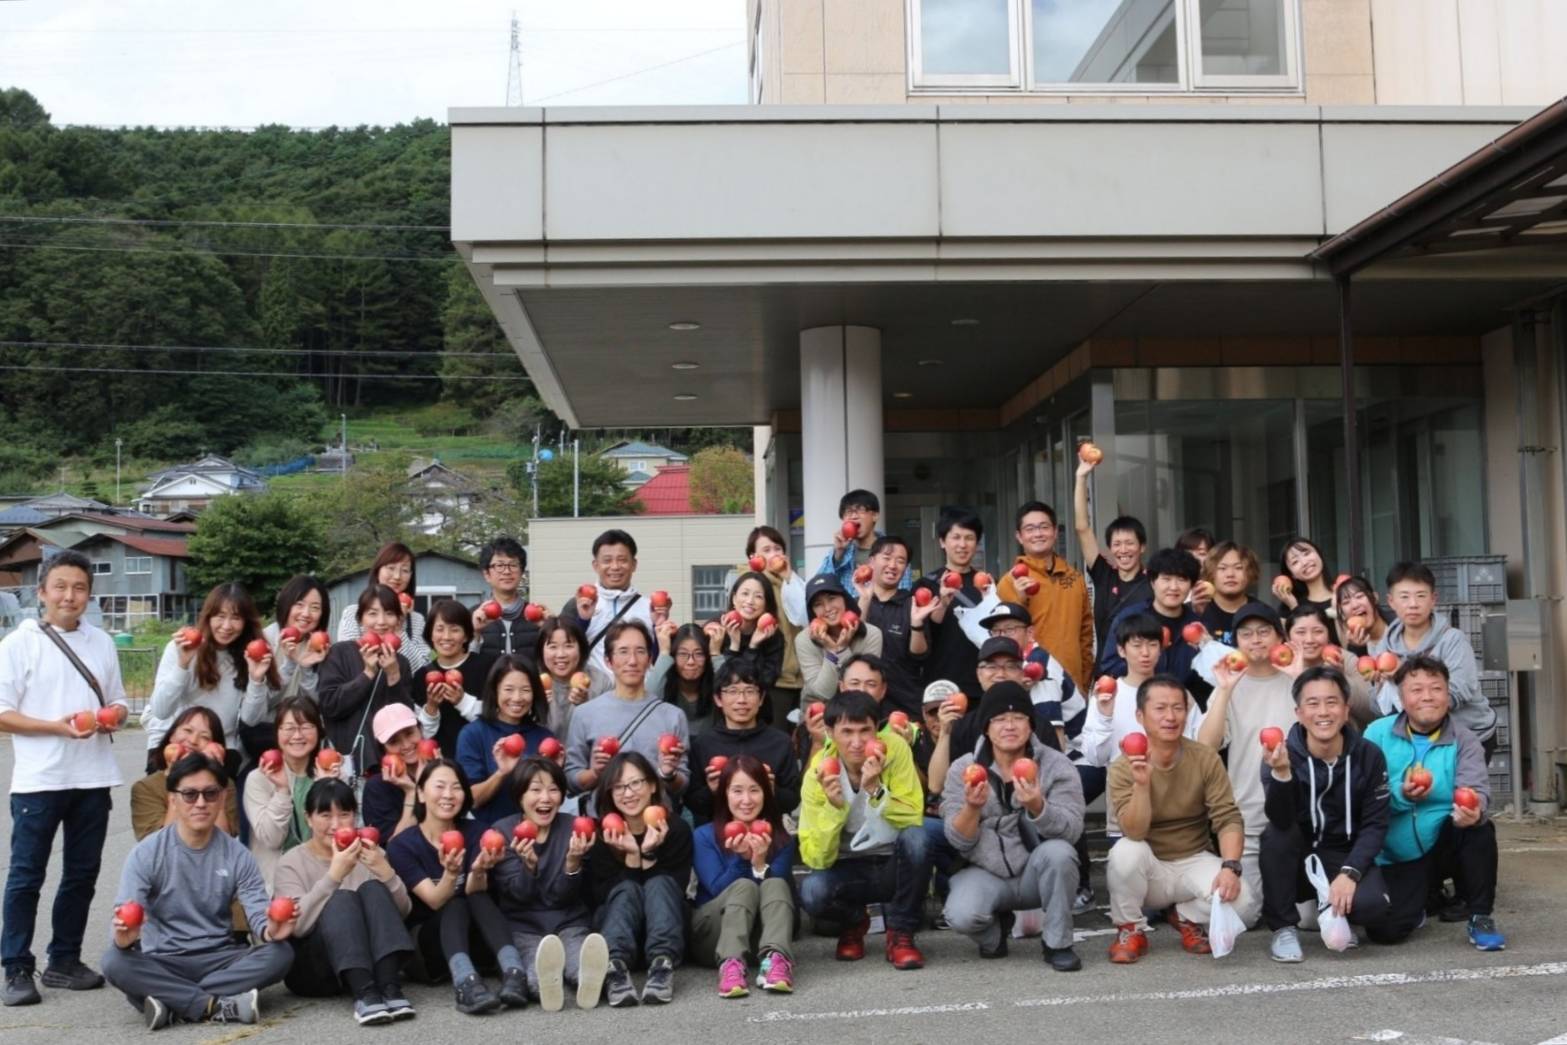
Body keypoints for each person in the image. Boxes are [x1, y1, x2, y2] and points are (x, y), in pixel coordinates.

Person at [0, 550, 129, 1007]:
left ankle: (64, 960)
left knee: (81, 874)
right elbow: (2, 713)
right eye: (60, 587)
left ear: (89, 595)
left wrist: (115, 717)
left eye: (79, 588)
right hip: (39, 780)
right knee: (25, 876)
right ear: (41, 592)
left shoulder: (102, 642)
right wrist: (57, 727)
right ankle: (16, 966)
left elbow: (118, 700)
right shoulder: (18, 644)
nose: (69, 596)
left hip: (93, 776)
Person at [101, 754, 295, 1029]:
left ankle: (172, 1002)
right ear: (173, 799)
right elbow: (124, 914)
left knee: (281, 953)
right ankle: (215, 1005)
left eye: (210, 794)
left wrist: (271, 930)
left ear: (222, 798)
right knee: (114, 961)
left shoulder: (238, 854)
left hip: (220, 958)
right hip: (163, 959)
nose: (201, 803)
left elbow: (257, 913)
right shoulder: (146, 853)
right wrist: (124, 939)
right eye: (190, 795)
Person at [1105, 676, 1252, 963]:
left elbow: (1227, 817)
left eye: (1178, 708)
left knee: (1244, 902)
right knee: (1124, 852)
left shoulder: (1205, 758)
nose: (1170, 717)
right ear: (1140, 716)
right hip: (1149, 867)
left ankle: (1186, 916)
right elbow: (1134, 832)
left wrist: (1230, 867)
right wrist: (1142, 785)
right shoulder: (1123, 767)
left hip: (1194, 858)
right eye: (1160, 708)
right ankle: (1130, 928)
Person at [1364, 655, 1504, 951]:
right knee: (1385, 931)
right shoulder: (1377, 733)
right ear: (1401, 697)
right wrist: (1401, 795)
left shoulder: (1464, 739)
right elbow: (1363, 795)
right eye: (1416, 690)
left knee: (1480, 829)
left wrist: (1473, 809)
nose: (1427, 696)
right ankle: (1426, 898)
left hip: (1440, 844)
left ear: (1447, 694)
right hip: (1393, 854)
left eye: (1436, 688)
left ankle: (1480, 916)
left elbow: (1475, 788)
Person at [941, 681, 1085, 970]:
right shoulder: (963, 769)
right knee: (960, 915)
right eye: (999, 719)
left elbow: (1072, 829)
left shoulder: (1056, 764)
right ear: (986, 727)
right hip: (986, 871)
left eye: (1018, 717)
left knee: (1060, 854)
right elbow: (957, 840)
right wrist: (972, 808)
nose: (1009, 726)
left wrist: (1038, 807)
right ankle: (994, 937)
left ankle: (1057, 943)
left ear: (1030, 725)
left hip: (1036, 870)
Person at [1259, 666, 1393, 962]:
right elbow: (1280, 820)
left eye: (1332, 702)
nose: (1323, 712)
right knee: (1274, 836)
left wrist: (1350, 872)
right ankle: (1283, 928)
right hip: (1298, 855)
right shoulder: (1281, 753)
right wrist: (1282, 774)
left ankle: (1331, 908)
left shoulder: (1369, 755)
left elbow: (1375, 824)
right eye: (1313, 703)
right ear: (1298, 712)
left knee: (1374, 909)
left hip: (1343, 853)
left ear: (1346, 710)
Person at [798, 691, 930, 971]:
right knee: (812, 891)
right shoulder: (818, 773)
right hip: (846, 866)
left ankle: (901, 932)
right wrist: (834, 809)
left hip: (891, 860)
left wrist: (876, 790)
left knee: (918, 839)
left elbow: (913, 815)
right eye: (847, 732)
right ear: (830, 732)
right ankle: (855, 922)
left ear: (877, 729)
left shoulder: (895, 750)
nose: (857, 742)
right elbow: (815, 858)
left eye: (864, 731)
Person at [386, 758, 528, 1014]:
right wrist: (451, 873)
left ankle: (514, 972)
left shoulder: (478, 832)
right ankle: (465, 984)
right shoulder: (402, 845)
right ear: (421, 793)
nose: (448, 795)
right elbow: (434, 900)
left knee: (477, 897)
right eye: (440, 786)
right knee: (455, 902)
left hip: (476, 941)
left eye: (457, 787)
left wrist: (480, 869)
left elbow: (475, 890)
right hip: (429, 950)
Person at [273, 778, 416, 1025]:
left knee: (373, 888)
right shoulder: (291, 862)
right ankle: (365, 994)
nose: (335, 825)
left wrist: (387, 873)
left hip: (371, 962)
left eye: (344, 814)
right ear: (308, 818)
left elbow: (403, 912)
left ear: (355, 817)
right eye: (325, 815)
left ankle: (390, 988)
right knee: (340, 897)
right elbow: (297, 927)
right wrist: (333, 877)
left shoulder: (371, 853)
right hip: (316, 969)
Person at [1196, 601, 1296, 926]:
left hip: (1296, 816)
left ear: (1279, 637)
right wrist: (1225, 691)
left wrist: (1299, 678)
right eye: (1247, 634)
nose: (1256, 640)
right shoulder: (1228, 684)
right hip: (1247, 818)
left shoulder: (1297, 681)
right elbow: (1206, 747)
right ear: (1236, 641)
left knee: (1306, 916)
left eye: (1264, 632)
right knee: (1247, 914)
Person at [489, 758, 610, 1011]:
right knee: (535, 968)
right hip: (524, 926)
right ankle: (545, 987)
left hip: (568, 921)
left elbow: (561, 897)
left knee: (580, 960)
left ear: (562, 795)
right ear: (520, 795)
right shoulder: (502, 832)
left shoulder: (573, 828)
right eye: (535, 789)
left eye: (553, 789)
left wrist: (573, 863)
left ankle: (588, 980)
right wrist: (529, 867)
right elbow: (518, 896)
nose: (545, 798)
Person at [588, 752, 693, 1007]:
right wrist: (633, 858)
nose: (628, 793)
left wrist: (648, 853)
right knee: (626, 889)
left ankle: (661, 966)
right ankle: (614, 968)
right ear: (610, 793)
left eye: (635, 783)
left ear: (653, 785)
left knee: (659, 883)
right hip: (618, 931)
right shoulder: (603, 834)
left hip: (666, 931)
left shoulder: (676, 829)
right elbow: (600, 896)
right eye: (619, 787)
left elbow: (676, 889)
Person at [691, 755, 797, 997]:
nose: (746, 800)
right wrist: (742, 860)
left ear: (766, 793)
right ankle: (730, 964)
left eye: (754, 790)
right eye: (737, 791)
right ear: (724, 794)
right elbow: (716, 888)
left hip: (759, 936)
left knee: (776, 882)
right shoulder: (703, 836)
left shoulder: (781, 838)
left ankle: (775, 960)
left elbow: (778, 896)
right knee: (744, 886)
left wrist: (759, 863)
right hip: (713, 935)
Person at [148, 582, 279, 766]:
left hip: (221, 748)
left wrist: (256, 679)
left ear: (246, 622)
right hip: (179, 745)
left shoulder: (250, 655)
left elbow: (250, 720)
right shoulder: (182, 647)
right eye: (220, 616)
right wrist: (182, 665)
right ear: (208, 617)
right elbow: (161, 710)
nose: (226, 626)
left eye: (236, 618)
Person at [1372, 562, 1496, 756]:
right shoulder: (1385, 646)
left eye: (1421, 595)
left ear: (1433, 599)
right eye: (1404, 597)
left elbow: (1458, 692)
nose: (1413, 604)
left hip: (1468, 735)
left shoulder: (1453, 639)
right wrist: (1379, 685)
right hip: (1418, 739)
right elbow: (1379, 705)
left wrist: (1403, 676)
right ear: (1391, 601)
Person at [564, 621, 690, 803]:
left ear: (649, 659)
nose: (632, 661)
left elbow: (683, 786)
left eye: (640, 651)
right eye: (623, 652)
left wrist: (669, 774)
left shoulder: (673, 716)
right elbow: (571, 779)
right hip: (603, 818)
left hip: (656, 817)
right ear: (608, 661)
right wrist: (595, 773)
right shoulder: (585, 714)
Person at [316, 585, 415, 778]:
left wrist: (393, 676)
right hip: (342, 764)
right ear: (360, 619)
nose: (381, 621)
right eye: (372, 613)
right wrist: (368, 674)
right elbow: (329, 705)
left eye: (389, 613)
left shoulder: (401, 663)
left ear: (398, 620)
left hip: (389, 765)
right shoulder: (339, 653)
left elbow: (406, 721)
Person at [688, 659, 803, 825]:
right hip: (717, 834)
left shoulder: (781, 743)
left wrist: (772, 790)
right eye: (732, 691)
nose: (741, 699)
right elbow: (692, 803)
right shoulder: (703, 744)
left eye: (750, 691)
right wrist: (712, 790)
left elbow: (793, 800)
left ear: (761, 698)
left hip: (767, 832)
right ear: (718, 699)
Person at [996, 501, 1093, 693]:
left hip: (1072, 683)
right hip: (1029, 683)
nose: (1038, 534)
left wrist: (1084, 680)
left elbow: (1086, 634)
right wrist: (1020, 600)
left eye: (1044, 527)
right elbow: (1004, 638)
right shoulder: (1009, 582)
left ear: (1055, 532)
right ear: (1019, 536)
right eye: (1030, 529)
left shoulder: (1075, 578)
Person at [455, 655, 556, 826]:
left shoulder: (544, 737)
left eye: (525, 690)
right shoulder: (473, 734)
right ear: (495, 691)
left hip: (537, 832)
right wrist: (501, 773)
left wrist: (556, 772)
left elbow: (552, 797)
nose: (517, 698)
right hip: (489, 834)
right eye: (509, 689)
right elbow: (471, 800)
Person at [1099, 549, 1205, 702]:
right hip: (1136, 702)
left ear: (1191, 585)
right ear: (1153, 582)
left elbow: (1205, 677)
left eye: (1182, 579)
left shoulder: (1198, 626)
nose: (1174, 587)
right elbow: (1110, 664)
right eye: (1166, 579)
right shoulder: (1129, 618)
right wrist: (1144, 672)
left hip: (1183, 707)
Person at [242, 695, 324, 891]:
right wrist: (282, 791)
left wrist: (326, 787)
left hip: (322, 877)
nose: (297, 736)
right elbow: (271, 839)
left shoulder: (330, 773)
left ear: (318, 731)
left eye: (306, 727)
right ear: (277, 733)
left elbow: (336, 833)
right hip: (278, 882)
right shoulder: (259, 778)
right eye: (289, 728)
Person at [731, 526, 809, 731]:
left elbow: (804, 616)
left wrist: (789, 576)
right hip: (772, 678)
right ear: (753, 556)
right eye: (766, 550)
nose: (774, 554)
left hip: (798, 678)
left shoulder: (790, 582)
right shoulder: (753, 588)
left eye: (777, 548)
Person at [1074, 454, 1151, 652]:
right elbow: (1082, 528)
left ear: (1142, 547)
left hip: (1142, 666)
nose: (1123, 550)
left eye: (1129, 543)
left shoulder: (1153, 582)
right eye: (1117, 544)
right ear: (1110, 548)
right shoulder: (1104, 575)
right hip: (1106, 667)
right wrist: (1081, 478)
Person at [130, 706, 242, 842]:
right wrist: (176, 778)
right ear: (172, 735)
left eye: (205, 737)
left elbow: (223, 840)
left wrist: (215, 779)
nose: (193, 740)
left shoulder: (225, 785)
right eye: (187, 730)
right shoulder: (145, 788)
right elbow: (163, 844)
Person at [856, 536, 935, 719]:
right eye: (887, 558)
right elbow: (852, 644)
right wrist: (865, 601)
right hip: (861, 703)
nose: (893, 565)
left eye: (900, 561)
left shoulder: (913, 604)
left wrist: (916, 624)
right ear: (871, 561)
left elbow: (919, 655)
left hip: (904, 703)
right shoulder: (856, 603)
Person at [915, 506, 988, 700]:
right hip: (941, 686)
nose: (962, 545)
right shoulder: (926, 585)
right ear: (942, 541)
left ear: (977, 543)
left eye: (969, 538)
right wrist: (943, 604)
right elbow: (921, 638)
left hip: (982, 684)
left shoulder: (988, 585)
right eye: (956, 537)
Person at [560, 529, 656, 676]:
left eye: (622, 560)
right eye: (607, 560)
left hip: (639, 689)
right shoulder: (578, 605)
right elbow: (563, 650)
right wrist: (583, 621)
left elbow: (658, 657)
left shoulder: (650, 608)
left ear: (634, 564)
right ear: (595, 565)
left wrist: (658, 626)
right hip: (592, 689)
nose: (615, 567)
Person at [414, 598, 496, 756]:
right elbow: (422, 735)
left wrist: (462, 701)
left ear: (466, 635)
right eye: (439, 629)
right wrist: (431, 707)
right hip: (440, 762)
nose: (446, 636)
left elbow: (497, 718)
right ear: (431, 634)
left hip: (482, 757)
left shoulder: (487, 667)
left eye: (454, 630)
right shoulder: (421, 676)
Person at [335, 542, 432, 671]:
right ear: (378, 570)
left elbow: (422, 668)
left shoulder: (416, 620)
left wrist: (399, 628)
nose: (397, 576)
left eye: (404, 570)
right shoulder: (353, 613)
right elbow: (347, 661)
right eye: (391, 568)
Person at [795, 574, 884, 704]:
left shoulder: (872, 634)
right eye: (818, 604)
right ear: (812, 611)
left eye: (832, 598)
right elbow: (823, 693)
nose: (827, 608)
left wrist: (842, 649)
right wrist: (831, 651)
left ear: (845, 599)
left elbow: (861, 687)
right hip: (818, 709)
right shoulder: (804, 640)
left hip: (858, 706)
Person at [1284, 605, 1377, 728]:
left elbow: (1371, 712)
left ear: (1328, 634)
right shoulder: (1281, 667)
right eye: (1301, 632)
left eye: (1318, 631)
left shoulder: (1345, 659)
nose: (1309, 640)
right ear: (1288, 637)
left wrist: (1341, 678)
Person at [711, 571, 786, 720]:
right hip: (720, 714)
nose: (750, 601)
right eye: (745, 594)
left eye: (758, 596)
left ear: (766, 604)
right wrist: (734, 645)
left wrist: (753, 646)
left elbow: (763, 683)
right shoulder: (717, 629)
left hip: (758, 715)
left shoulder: (773, 637)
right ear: (734, 598)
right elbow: (723, 682)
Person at [359, 704, 431, 845]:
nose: (406, 745)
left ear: (420, 730)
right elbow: (394, 846)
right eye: (394, 741)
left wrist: (438, 776)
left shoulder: (441, 769)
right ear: (383, 749)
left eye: (409, 733)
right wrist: (411, 793)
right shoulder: (377, 788)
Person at [816, 489, 911, 592]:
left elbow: (903, 592)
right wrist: (838, 553)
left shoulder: (895, 552)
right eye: (848, 512)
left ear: (875, 516)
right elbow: (819, 586)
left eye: (861, 510)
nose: (854, 516)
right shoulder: (839, 552)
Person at [262, 574, 331, 703]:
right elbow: (261, 703)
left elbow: (321, 703)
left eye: (315, 607)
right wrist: (290, 664)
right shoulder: (266, 640)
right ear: (286, 605)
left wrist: (306, 670)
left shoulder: (321, 647)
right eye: (299, 604)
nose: (306, 614)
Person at [470, 537, 539, 658]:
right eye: (499, 565)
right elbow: (463, 662)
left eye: (513, 565)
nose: (507, 571)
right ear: (486, 574)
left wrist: (550, 626)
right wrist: (475, 632)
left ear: (522, 572)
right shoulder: (473, 616)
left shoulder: (537, 617)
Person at [535, 616, 597, 738]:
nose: (561, 654)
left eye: (568, 646)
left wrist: (586, 707)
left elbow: (607, 727)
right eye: (553, 647)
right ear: (541, 651)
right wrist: (536, 709)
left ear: (581, 648)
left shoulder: (599, 681)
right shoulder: (531, 682)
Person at [654, 621, 717, 735]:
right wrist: (664, 652)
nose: (691, 662)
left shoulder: (715, 685)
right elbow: (649, 698)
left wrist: (716, 653)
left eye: (699, 654)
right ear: (673, 656)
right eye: (682, 654)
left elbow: (730, 689)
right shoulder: (663, 685)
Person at [1194, 541, 1257, 647]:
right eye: (1222, 568)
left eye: (1238, 568)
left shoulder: (1262, 613)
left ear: (1250, 572)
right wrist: (1196, 615)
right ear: (1211, 573)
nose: (1230, 574)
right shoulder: (1195, 609)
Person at [1271, 537, 1336, 616]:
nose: (1304, 563)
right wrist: (1294, 606)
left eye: (1306, 554)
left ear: (1319, 554)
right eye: (1295, 562)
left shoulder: (1344, 591)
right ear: (1292, 574)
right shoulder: (1288, 606)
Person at [1335, 575, 1392, 656]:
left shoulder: (1400, 626)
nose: (1355, 605)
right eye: (1346, 602)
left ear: (1375, 597)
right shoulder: (1353, 647)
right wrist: (1357, 648)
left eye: (1359, 596)